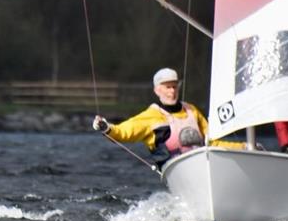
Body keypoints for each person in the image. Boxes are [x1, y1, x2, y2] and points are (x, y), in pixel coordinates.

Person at [92, 68, 244, 166]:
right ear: (157, 90)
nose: (172, 91)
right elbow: (123, 132)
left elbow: (212, 142)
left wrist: (244, 147)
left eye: (174, 86)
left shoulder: (192, 111)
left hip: (205, 165)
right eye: (167, 87)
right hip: (175, 170)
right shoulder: (150, 116)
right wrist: (106, 127)